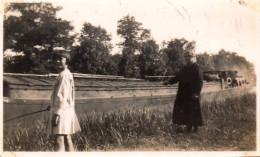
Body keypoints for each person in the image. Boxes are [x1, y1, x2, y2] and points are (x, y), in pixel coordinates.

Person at [46, 51, 81, 151]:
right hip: (65, 110)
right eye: (56, 59)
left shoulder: (64, 75)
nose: (58, 61)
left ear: (67, 60)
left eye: (61, 58)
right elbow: (65, 95)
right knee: (66, 137)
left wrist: (57, 112)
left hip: (62, 111)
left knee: (59, 139)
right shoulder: (66, 74)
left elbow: (62, 94)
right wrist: (52, 105)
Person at [164, 51, 203, 133]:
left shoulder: (197, 68)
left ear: (194, 58)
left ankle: (195, 129)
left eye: (190, 57)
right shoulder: (185, 68)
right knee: (186, 110)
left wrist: (197, 93)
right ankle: (188, 128)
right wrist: (169, 82)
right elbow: (177, 77)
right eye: (186, 57)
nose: (188, 59)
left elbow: (199, 81)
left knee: (194, 111)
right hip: (184, 93)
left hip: (193, 93)